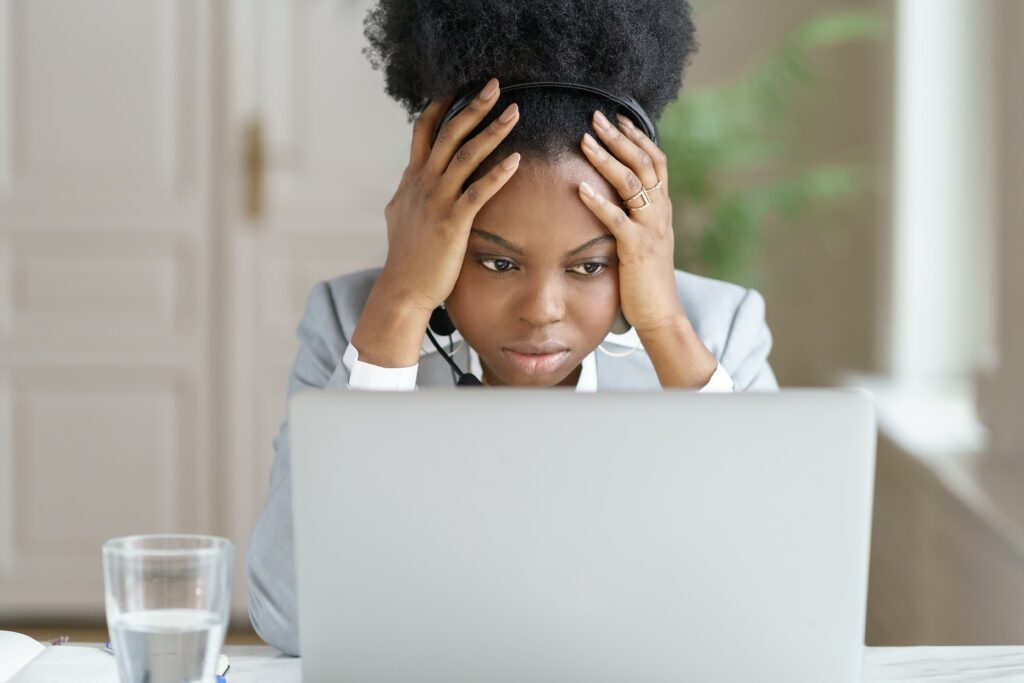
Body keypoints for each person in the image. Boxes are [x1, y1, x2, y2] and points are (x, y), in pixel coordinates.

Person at [246, 0, 778, 655]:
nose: (541, 309)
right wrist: (402, 305)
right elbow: (287, 615)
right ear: (433, 234)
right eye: (497, 260)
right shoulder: (357, 324)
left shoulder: (719, 333)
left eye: (589, 265)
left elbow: (777, 599)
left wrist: (664, 324)